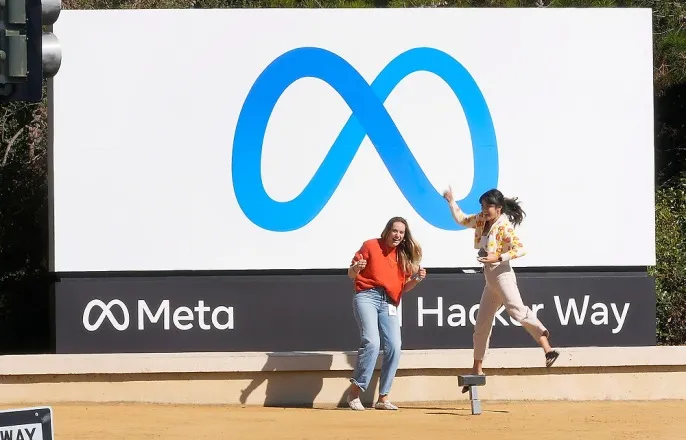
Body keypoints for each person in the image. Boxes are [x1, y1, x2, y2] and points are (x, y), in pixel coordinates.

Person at [442, 187, 559, 393]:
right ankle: (477, 370)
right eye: (483, 206)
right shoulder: (481, 219)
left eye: (488, 206)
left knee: (516, 310)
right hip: (490, 279)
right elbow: (461, 219)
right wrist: (451, 201)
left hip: (502, 274)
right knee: (482, 323)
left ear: (499, 208)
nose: (484, 210)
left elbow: (520, 248)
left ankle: (547, 348)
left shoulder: (504, 226)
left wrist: (498, 257)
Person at [345, 216, 427, 411]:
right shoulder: (371, 245)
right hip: (367, 296)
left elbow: (404, 287)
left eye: (401, 232)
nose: (397, 235)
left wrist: (416, 279)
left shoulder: (403, 256)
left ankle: (383, 398)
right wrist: (356, 268)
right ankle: (354, 393)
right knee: (372, 342)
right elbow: (351, 274)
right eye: (395, 230)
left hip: (389, 301)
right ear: (387, 231)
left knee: (394, 346)